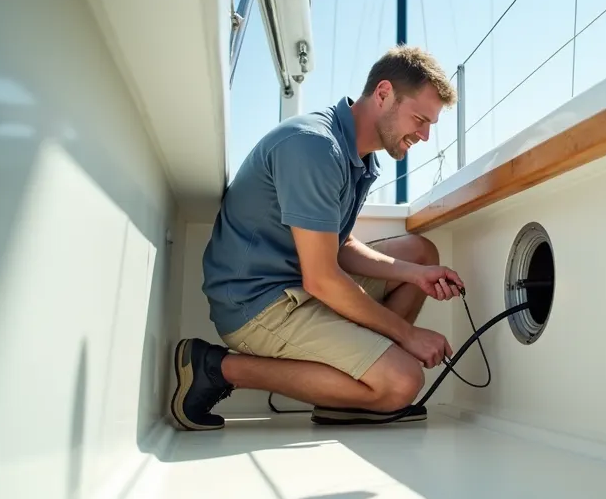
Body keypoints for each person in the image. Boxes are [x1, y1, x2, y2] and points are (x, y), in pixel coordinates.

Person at [170, 45, 465, 430]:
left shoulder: (357, 156)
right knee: (403, 381)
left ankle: (355, 384)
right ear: (383, 93)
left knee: (420, 254)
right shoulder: (314, 147)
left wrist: (413, 274)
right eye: (420, 119)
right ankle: (217, 368)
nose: (425, 135)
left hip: (301, 286)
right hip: (257, 303)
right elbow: (323, 277)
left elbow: (337, 246)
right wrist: (407, 335)